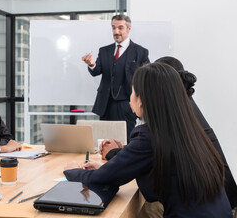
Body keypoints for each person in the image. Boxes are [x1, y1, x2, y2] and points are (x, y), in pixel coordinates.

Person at [64, 63, 232, 217]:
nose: (130, 98)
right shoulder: (189, 129)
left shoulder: (148, 136)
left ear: (143, 99)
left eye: (132, 91)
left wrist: (72, 170)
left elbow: (102, 178)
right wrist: (109, 167)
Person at [82, 14, 149, 141]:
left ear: (128, 29)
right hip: (106, 105)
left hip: (128, 105)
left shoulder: (140, 52)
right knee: (104, 141)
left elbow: (147, 76)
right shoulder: (104, 51)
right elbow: (96, 71)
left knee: (126, 141)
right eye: (113, 28)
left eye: (120, 28)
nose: (116, 31)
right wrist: (91, 64)